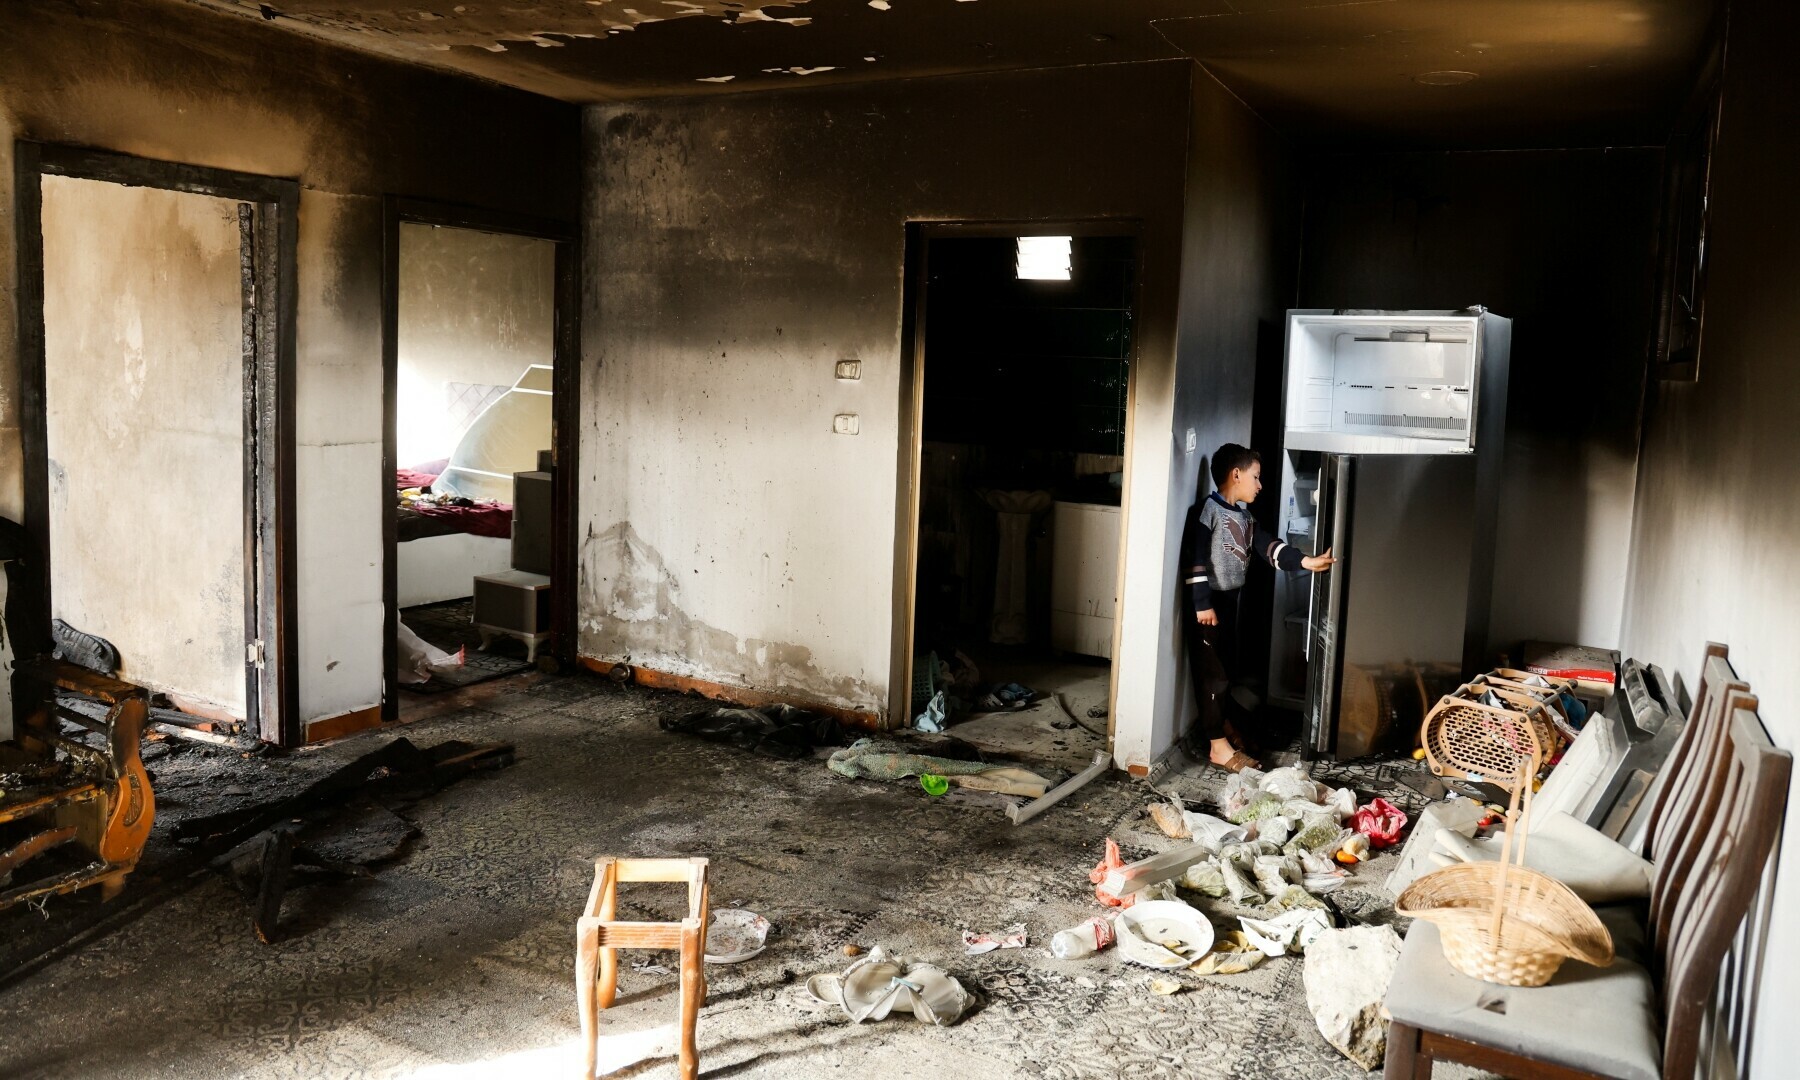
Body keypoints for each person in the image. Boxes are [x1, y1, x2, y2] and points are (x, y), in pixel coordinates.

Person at [1180, 443, 1335, 772]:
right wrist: (1202, 604)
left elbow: (1270, 547)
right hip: (1209, 605)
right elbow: (1194, 559)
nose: (1260, 485)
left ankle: (1224, 726)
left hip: (1231, 601)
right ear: (1236, 475)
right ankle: (1217, 747)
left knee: (1227, 669)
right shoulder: (1208, 511)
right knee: (1213, 676)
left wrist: (1306, 560)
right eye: (1256, 477)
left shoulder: (1246, 517)